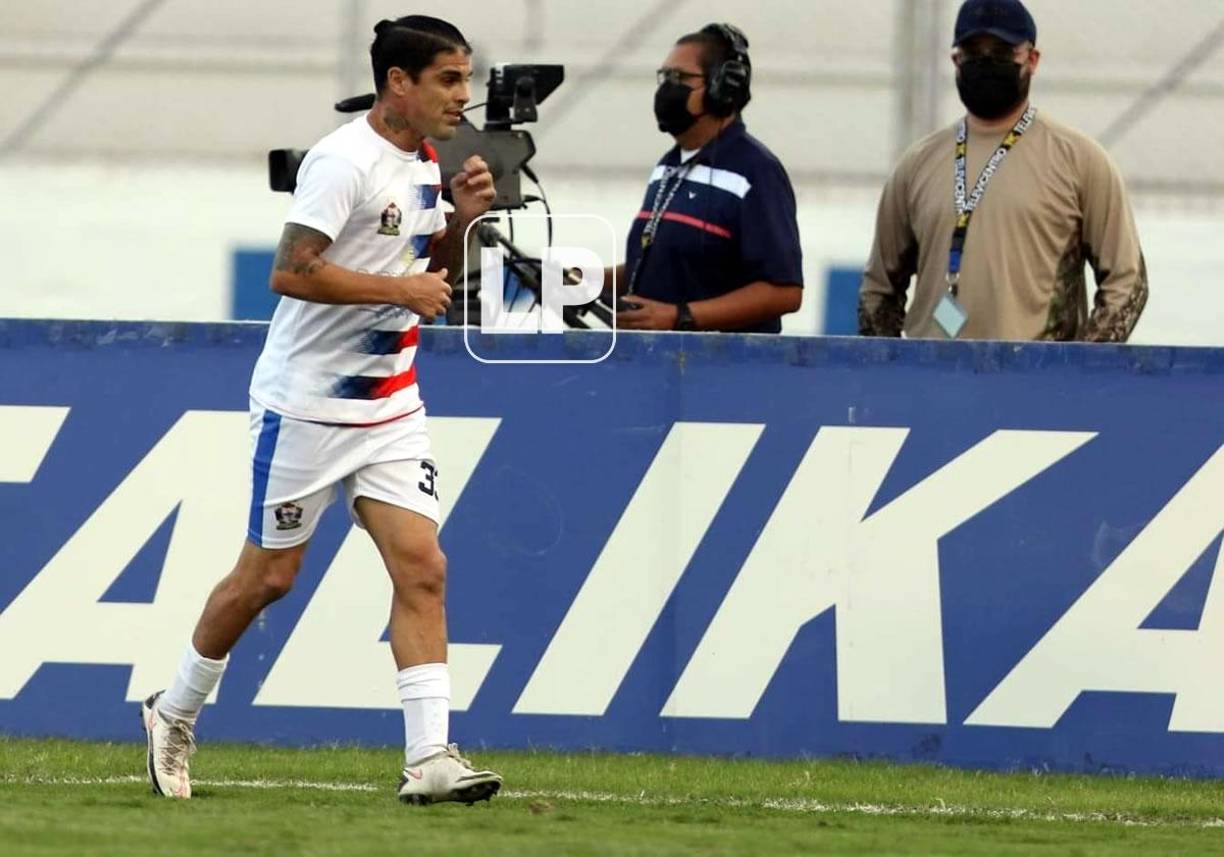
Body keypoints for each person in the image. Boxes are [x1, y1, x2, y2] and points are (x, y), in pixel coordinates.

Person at [141, 15, 503, 806]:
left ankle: (430, 757)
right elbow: (292, 272)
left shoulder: (428, 163)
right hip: (306, 405)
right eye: (449, 79)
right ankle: (173, 708)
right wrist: (402, 290)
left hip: (390, 404)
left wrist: (465, 220)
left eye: (466, 79)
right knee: (270, 576)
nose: (463, 96)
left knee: (424, 568)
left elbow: (424, 263)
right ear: (398, 82)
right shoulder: (343, 161)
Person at [859, 0, 1149, 342]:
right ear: (956, 60)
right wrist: (895, 372)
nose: (985, 61)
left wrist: (1077, 371)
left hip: (1034, 383)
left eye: (1001, 51)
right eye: (973, 51)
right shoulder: (917, 164)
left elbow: (1127, 283)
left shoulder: (1079, 160)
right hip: (934, 382)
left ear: (1032, 59)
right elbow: (878, 290)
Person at [611, 23, 804, 334]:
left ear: (722, 87)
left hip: (720, 374)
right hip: (659, 369)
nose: (667, 89)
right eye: (664, 78)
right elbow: (659, 266)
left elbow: (784, 290)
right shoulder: (669, 165)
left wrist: (680, 316)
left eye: (680, 78)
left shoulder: (755, 171)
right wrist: (581, 280)